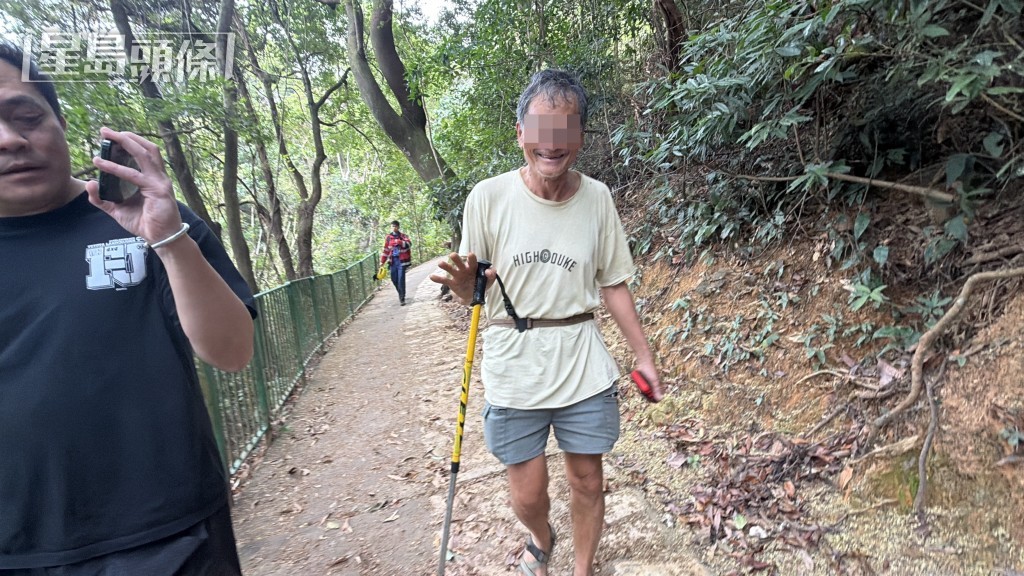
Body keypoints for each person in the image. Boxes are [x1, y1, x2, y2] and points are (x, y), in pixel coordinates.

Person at [0, 44, 256, 574]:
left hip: (168, 536)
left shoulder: (141, 215)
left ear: (60, 122)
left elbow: (232, 351)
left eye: (26, 117)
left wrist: (169, 240)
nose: (10, 140)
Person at [430, 69, 664, 576]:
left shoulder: (597, 198)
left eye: (564, 131)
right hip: (514, 364)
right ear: (520, 134)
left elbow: (614, 283)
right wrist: (462, 283)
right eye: (539, 130)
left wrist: (644, 355)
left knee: (587, 480)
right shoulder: (487, 198)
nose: (551, 145)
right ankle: (542, 535)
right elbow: (472, 292)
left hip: (580, 358)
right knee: (527, 493)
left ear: (578, 137)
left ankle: (581, 569)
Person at [380, 219, 412, 305]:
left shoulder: (403, 236)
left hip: (401, 261)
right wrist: (382, 261)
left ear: (398, 227)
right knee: (394, 279)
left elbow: (409, 244)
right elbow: (386, 249)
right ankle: (401, 292)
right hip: (392, 261)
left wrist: (400, 242)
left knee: (401, 278)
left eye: (395, 226)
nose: (393, 228)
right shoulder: (388, 237)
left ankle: (402, 298)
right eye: (392, 226)